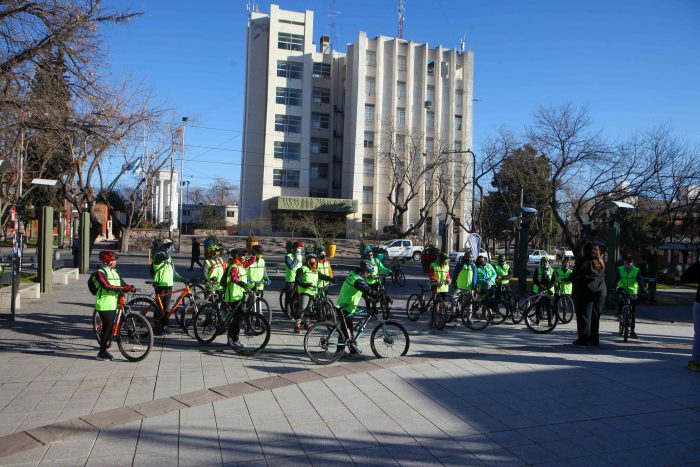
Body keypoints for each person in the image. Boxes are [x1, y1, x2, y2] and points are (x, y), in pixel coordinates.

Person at [92, 250, 135, 360]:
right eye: (113, 260)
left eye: (115, 260)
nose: (115, 262)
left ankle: (106, 342)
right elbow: (107, 286)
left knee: (112, 327)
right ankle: (101, 352)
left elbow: (122, 283)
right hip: (104, 304)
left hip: (114, 303)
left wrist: (130, 287)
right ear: (106, 261)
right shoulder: (100, 272)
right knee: (108, 327)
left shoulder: (115, 272)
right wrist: (123, 288)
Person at [336, 260, 382, 359]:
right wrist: (381, 295)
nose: (368, 275)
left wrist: (369, 299)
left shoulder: (354, 275)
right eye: (368, 272)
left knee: (345, 330)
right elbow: (367, 290)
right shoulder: (357, 280)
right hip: (346, 307)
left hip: (345, 305)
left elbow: (363, 292)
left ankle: (340, 351)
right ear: (364, 271)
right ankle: (353, 352)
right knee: (348, 331)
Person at [571, 242, 606, 346]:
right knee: (595, 317)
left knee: (585, 316)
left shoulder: (583, 261)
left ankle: (583, 339)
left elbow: (575, 276)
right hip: (600, 292)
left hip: (586, 292)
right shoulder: (600, 262)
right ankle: (594, 339)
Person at [151, 239, 185, 335]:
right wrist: (168, 248)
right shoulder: (159, 256)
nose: (172, 248)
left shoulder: (169, 259)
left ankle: (163, 325)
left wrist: (183, 280)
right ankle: (157, 328)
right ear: (164, 247)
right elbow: (164, 256)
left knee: (166, 307)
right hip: (160, 285)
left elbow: (174, 274)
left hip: (168, 285)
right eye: (169, 246)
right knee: (159, 308)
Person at [293, 253, 333, 333]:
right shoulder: (302, 269)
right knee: (302, 308)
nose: (313, 262)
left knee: (309, 308)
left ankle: (306, 323)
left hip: (313, 292)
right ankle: (297, 325)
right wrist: (305, 285)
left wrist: (330, 279)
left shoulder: (315, 270)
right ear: (307, 261)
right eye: (311, 260)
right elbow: (297, 280)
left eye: (314, 261)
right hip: (304, 291)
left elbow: (322, 276)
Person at [222, 249, 250, 352]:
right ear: (237, 256)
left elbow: (244, 279)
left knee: (238, 318)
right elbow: (234, 278)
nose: (244, 257)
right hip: (232, 296)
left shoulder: (241, 266)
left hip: (239, 295)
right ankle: (232, 339)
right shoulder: (234, 266)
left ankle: (234, 339)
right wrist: (240, 283)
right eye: (242, 255)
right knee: (235, 318)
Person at [615, 255, 646, 339]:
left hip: (632, 291)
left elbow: (640, 281)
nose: (627, 265)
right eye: (625, 263)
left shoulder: (636, 270)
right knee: (619, 298)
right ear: (623, 263)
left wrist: (643, 289)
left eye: (629, 264)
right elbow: (616, 280)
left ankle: (632, 331)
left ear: (632, 264)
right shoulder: (620, 269)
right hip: (622, 289)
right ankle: (620, 313)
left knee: (632, 312)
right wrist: (613, 287)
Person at [680, 261, 700, 371]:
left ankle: (695, 361)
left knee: (699, 333)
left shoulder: (698, 265)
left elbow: (684, 278)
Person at [428, 251, 451, 327]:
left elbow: (447, 275)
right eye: (444, 259)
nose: (445, 261)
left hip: (443, 287)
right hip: (435, 286)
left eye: (446, 260)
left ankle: (440, 319)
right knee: (436, 304)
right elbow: (431, 275)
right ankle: (433, 320)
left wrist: (448, 279)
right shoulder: (433, 265)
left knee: (442, 304)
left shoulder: (446, 266)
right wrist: (435, 280)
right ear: (439, 259)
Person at [283, 241, 304, 316]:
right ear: (294, 248)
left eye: (301, 248)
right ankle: (287, 311)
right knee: (289, 297)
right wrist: (296, 258)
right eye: (298, 248)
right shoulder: (288, 256)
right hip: (291, 280)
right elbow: (291, 266)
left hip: (299, 279)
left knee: (297, 297)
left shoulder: (300, 256)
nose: (300, 250)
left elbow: (302, 268)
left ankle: (294, 311)